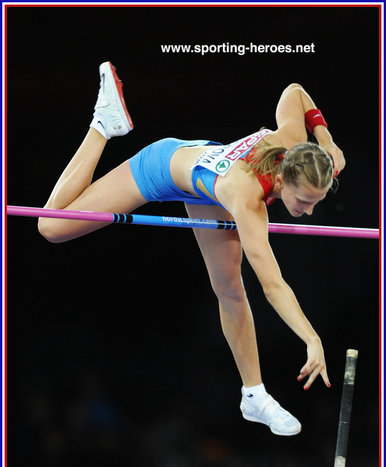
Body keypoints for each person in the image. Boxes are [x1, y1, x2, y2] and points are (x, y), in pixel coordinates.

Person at [38, 62, 346, 436]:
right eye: (304, 201)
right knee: (51, 225)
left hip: (207, 176)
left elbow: (295, 91)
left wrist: (325, 140)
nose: (309, 211)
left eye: (315, 201)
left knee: (229, 287)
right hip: (162, 167)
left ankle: (254, 396)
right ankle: (104, 124)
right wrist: (311, 338)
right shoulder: (247, 200)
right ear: (281, 180)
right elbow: (273, 284)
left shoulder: (303, 153)